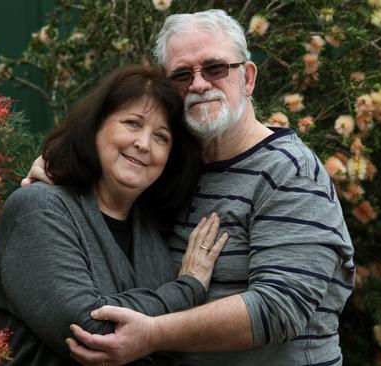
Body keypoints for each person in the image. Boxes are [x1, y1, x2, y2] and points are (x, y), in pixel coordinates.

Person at [25, 9, 355, 366]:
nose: (198, 85)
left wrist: (153, 334)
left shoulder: (288, 171)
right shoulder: (168, 170)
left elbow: (280, 307)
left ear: (247, 78)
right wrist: (63, 173)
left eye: (215, 69)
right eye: (182, 75)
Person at [0, 64, 229, 365]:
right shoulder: (39, 207)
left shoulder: (151, 228)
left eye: (161, 137)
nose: (143, 144)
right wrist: (187, 288)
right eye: (132, 123)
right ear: (96, 125)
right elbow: (90, 330)